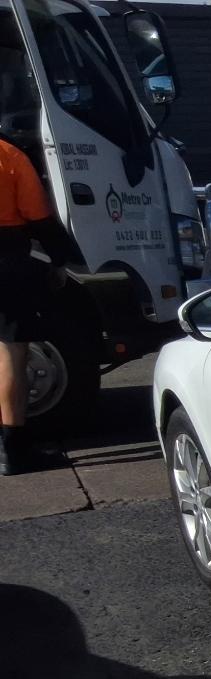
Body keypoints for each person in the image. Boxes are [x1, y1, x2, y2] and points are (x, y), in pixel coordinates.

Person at [0, 131, 68, 475]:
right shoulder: (9, 155)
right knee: (12, 353)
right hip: (6, 261)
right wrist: (60, 259)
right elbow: (37, 214)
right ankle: (12, 450)